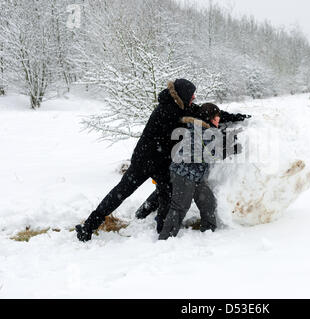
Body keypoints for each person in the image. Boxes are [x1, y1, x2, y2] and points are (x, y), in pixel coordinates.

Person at [76, 79, 250, 242]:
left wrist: (235, 117)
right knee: (121, 192)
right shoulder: (166, 110)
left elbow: (204, 113)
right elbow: (199, 120)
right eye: (192, 95)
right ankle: (88, 227)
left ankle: (154, 222)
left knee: (166, 194)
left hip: (163, 163)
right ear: (182, 95)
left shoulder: (182, 105)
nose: (194, 98)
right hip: (144, 161)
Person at [158, 103, 229, 240]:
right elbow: (213, 154)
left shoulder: (203, 129)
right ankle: (165, 239)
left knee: (208, 202)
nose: (218, 120)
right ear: (210, 118)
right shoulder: (201, 132)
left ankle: (208, 232)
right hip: (184, 174)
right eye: (216, 117)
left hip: (196, 175)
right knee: (180, 207)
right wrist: (230, 148)